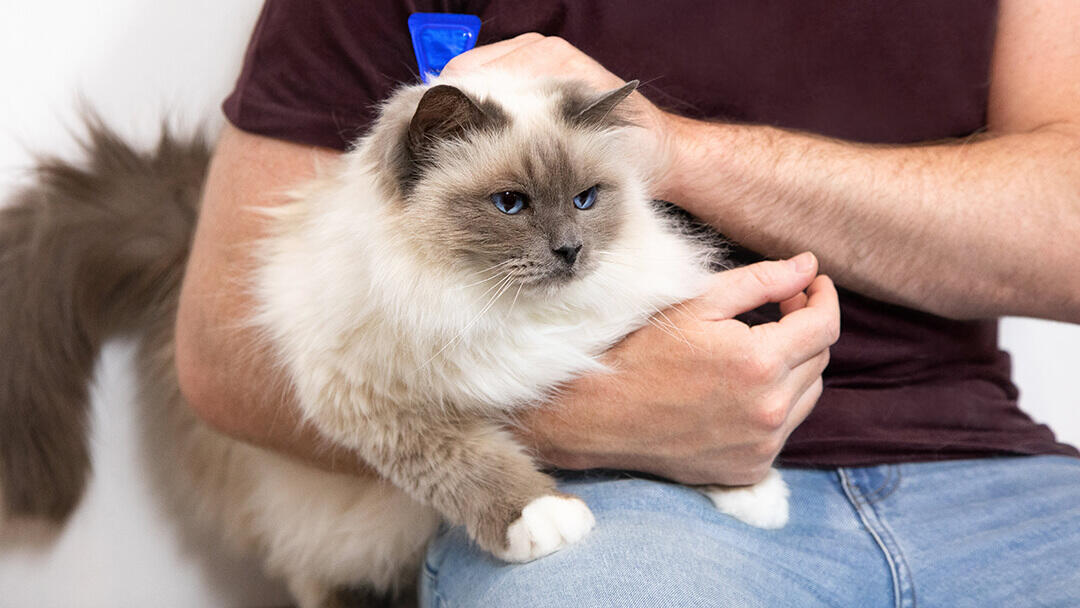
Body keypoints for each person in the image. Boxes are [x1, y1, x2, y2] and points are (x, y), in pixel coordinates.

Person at [175, 1, 1080, 605]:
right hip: (607, 503)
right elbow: (225, 358)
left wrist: (679, 153)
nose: (565, 243)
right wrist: (594, 414)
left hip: (986, 467)